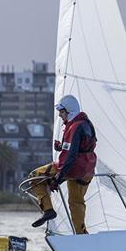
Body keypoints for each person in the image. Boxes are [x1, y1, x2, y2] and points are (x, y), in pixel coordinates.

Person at [28, 94, 97, 234]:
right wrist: (61, 147)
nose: (59, 115)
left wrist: (58, 179)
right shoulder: (85, 123)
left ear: (69, 111)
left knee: (34, 176)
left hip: (72, 168)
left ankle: (48, 210)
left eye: (61, 111)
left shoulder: (75, 127)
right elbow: (81, 147)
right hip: (87, 171)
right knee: (76, 203)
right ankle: (82, 236)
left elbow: (71, 157)